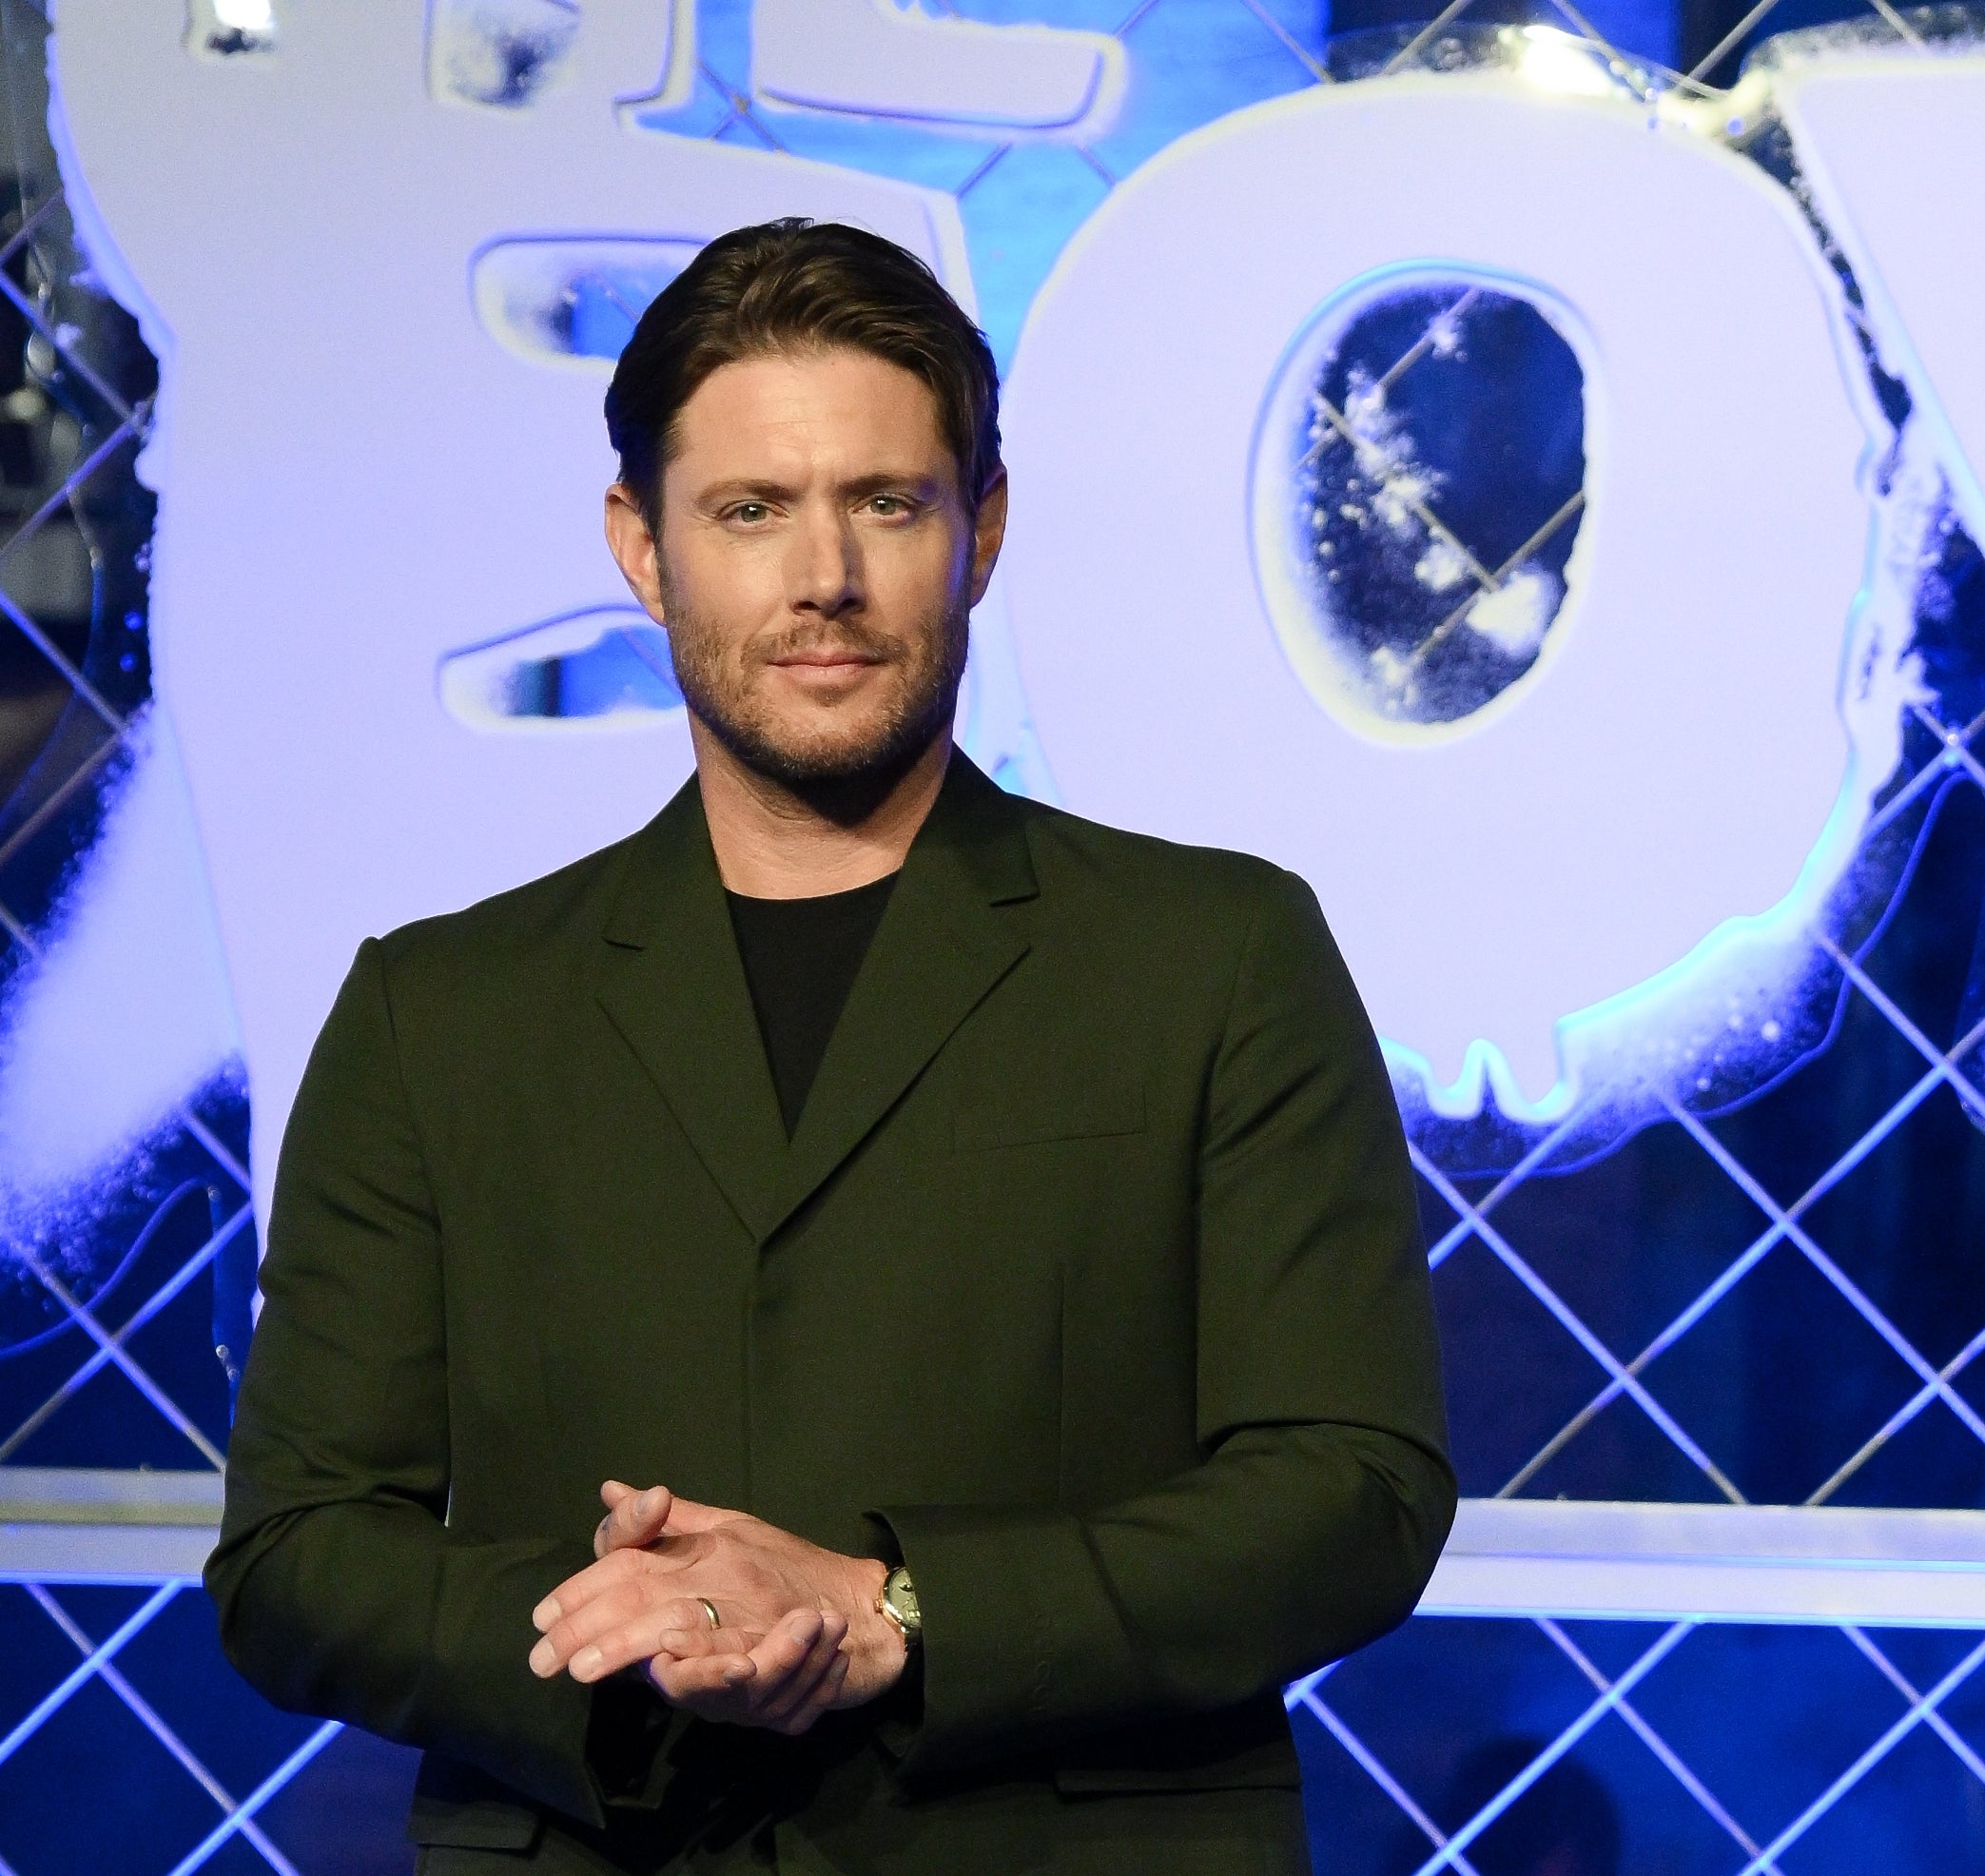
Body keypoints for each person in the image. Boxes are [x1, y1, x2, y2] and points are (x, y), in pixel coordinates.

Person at [206, 218, 1455, 1875]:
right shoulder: (438, 1013)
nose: (824, 580)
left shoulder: (1216, 958)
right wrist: (634, 1633)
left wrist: (894, 1608)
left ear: (982, 530)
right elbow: (294, 1555)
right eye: (750, 511)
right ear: (641, 546)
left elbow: (1355, 1490)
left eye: (886, 503)